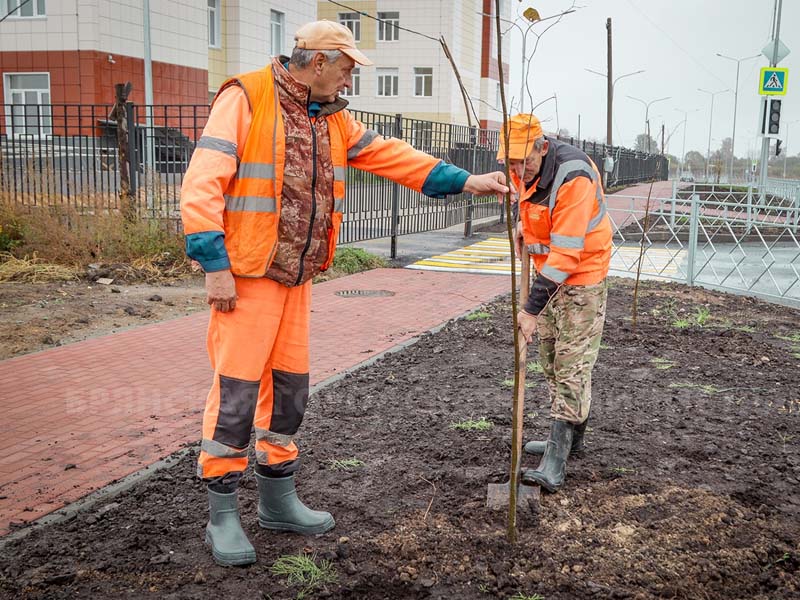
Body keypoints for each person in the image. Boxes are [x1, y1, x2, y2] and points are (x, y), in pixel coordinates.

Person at [180, 20, 509, 566]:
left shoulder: (331, 118)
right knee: (236, 394)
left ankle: (277, 500)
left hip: (296, 278)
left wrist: (464, 180)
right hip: (246, 277)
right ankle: (222, 516)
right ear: (318, 62)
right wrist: (213, 265)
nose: (351, 75)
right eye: (348, 65)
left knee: (289, 391)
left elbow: (392, 156)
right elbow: (202, 181)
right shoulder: (246, 97)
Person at [499, 113, 612, 493]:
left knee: (571, 363)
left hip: (582, 276)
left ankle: (556, 461)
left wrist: (529, 311)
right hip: (549, 274)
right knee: (550, 357)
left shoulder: (574, 175)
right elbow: (537, 211)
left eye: (523, 161)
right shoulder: (523, 168)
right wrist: (523, 227)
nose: (517, 170)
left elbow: (566, 255)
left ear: (542, 147)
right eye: (510, 162)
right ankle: (570, 437)